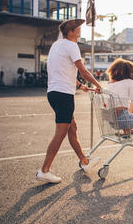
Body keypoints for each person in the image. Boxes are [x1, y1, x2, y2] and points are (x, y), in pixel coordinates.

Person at [36, 19, 102, 184]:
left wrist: (81, 86)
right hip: (64, 95)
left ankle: (84, 162)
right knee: (60, 134)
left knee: (72, 128)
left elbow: (62, 71)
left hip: (53, 93)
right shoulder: (72, 46)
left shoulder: (56, 45)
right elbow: (83, 70)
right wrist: (97, 84)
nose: (79, 32)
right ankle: (44, 170)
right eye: (77, 30)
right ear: (70, 32)